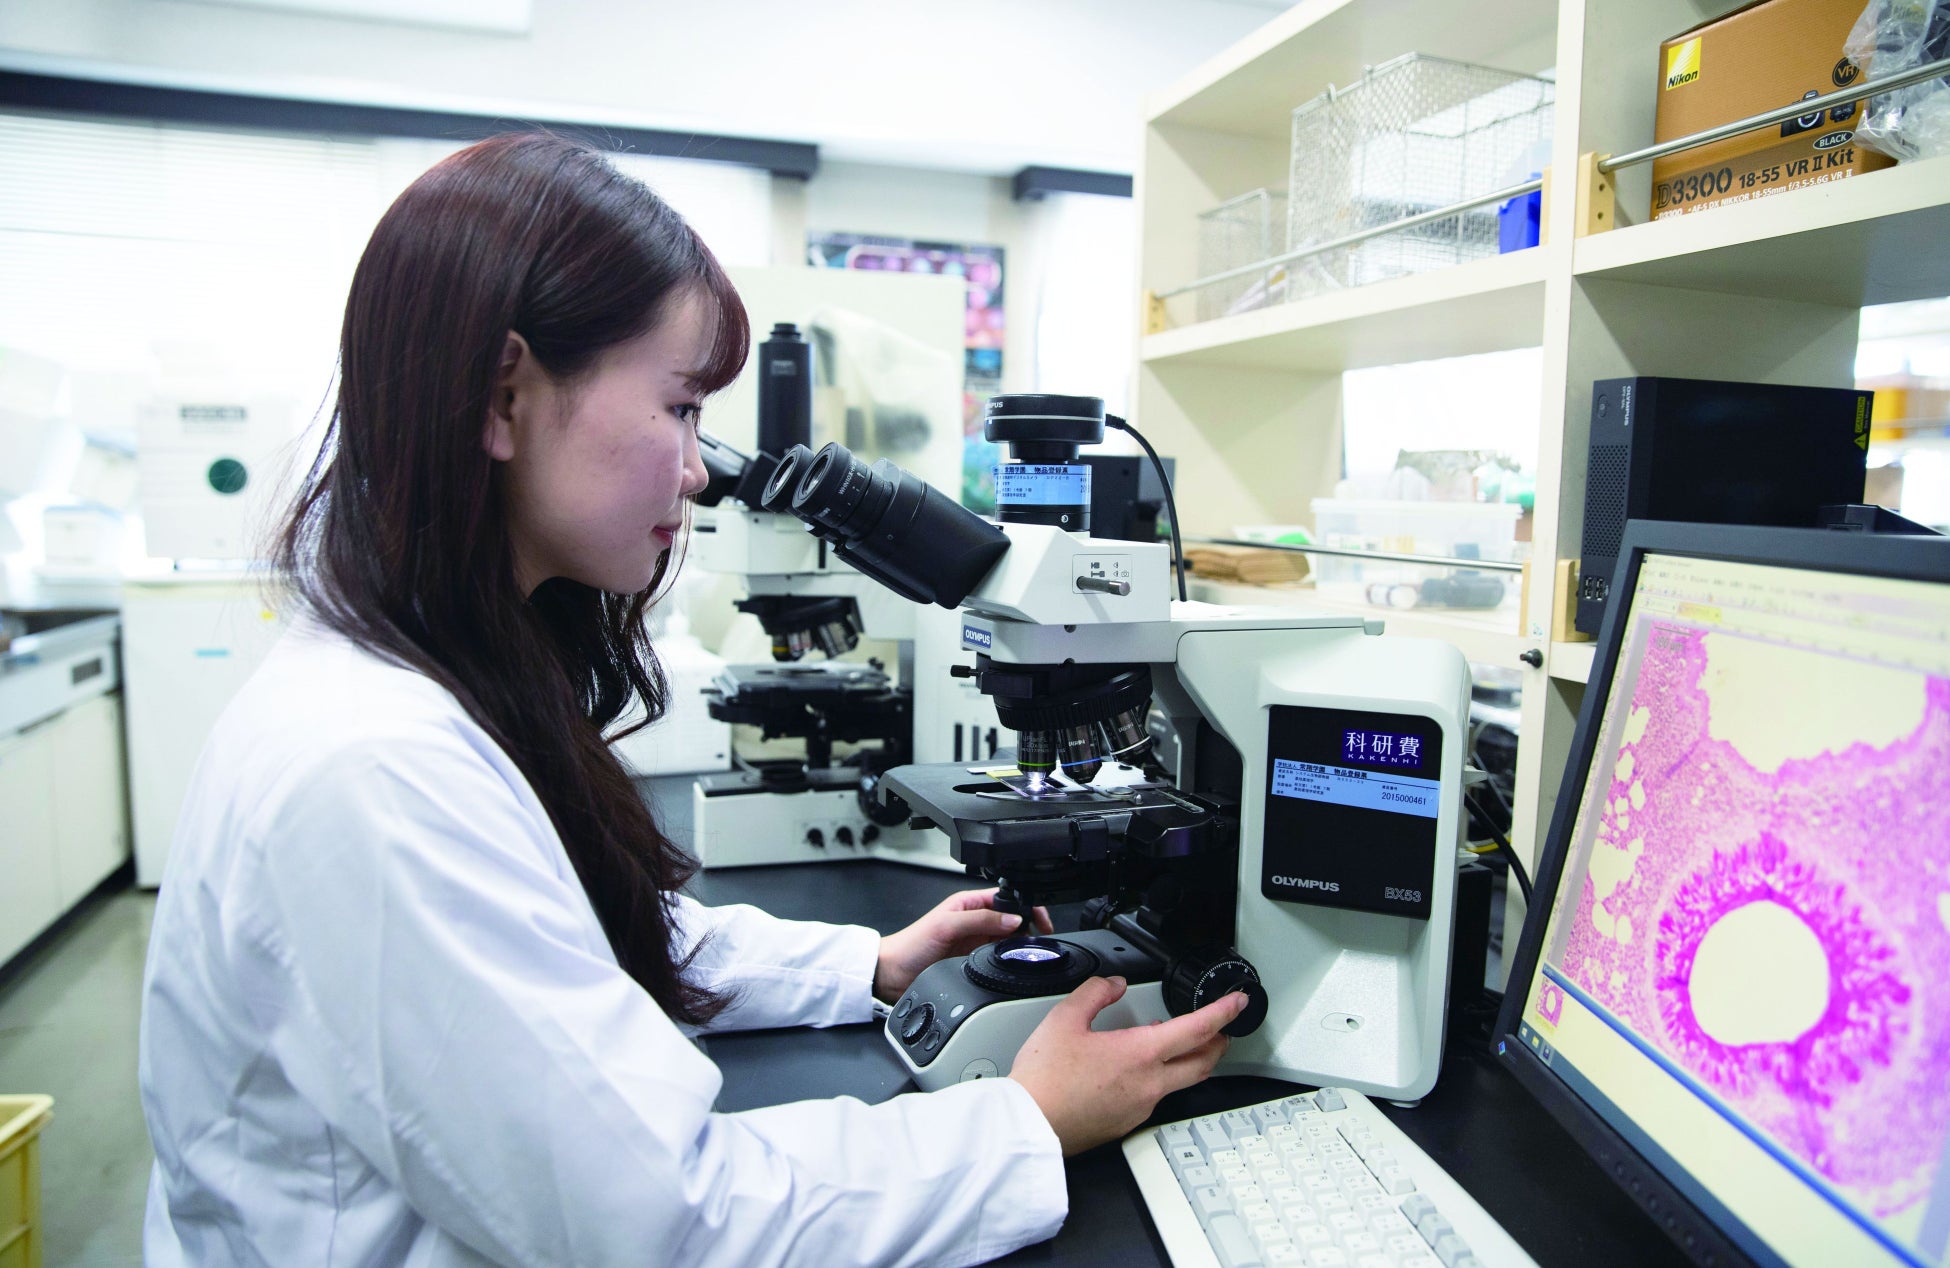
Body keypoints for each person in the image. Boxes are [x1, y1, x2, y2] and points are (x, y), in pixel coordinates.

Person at [137, 132, 1247, 1268]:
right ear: (504, 395)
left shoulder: (427, 673)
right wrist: (1023, 1122)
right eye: (677, 407)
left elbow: (565, 941)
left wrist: (868, 965)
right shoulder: (377, 773)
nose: (699, 467)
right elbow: (665, 1220)